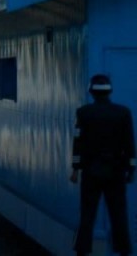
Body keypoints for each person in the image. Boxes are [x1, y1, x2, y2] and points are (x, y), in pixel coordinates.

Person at [71, 74, 136, 256]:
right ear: (110, 91)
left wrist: (75, 169)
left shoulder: (83, 113)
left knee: (87, 214)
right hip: (116, 171)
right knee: (118, 215)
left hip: (91, 171)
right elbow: (129, 144)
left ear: (91, 91)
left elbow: (78, 142)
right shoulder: (123, 113)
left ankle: (82, 251)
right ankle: (124, 251)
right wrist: (131, 169)